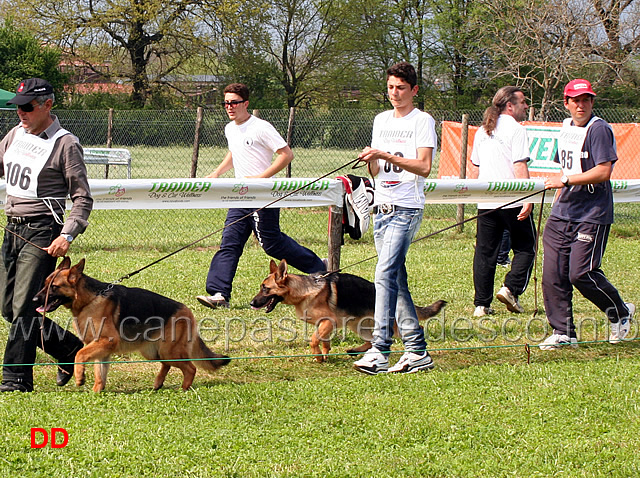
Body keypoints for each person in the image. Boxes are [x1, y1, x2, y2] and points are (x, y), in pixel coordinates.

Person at [197, 83, 325, 309]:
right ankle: (219, 294)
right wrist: (217, 172)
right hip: (240, 196)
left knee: (271, 244)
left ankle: (319, 269)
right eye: (226, 103)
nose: (229, 107)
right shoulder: (230, 129)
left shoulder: (261, 127)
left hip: (263, 196)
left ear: (245, 103)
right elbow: (234, 153)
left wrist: (261, 178)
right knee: (230, 243)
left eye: (234, 102)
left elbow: (286, 154)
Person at [0, 78, 92, 392]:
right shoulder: (15, 135)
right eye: (17, 107)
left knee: (25, 307)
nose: (20, 113)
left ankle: (16, 379)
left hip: (42, 233)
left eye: (27, 107)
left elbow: (82, 197)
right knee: (8, 307)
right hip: (12, 229)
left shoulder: (66, 143)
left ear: (48, 105)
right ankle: (68, 349)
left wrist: (67, 234)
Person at [352, 62, 437, 374]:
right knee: (395, 280)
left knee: (384, 275)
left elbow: (424, 167)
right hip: (382, 209)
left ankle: (380, 348)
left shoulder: (422, 121)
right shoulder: (381, 120)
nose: (395, 94)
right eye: (390, 87)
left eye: (401, 88)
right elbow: (375, 170)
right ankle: (417, 351)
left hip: (407, 208)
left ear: (413, 90)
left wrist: (386, 155)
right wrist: (371, 161)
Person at [540, 79, 635, 349]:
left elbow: (604, 171)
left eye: (586, 100)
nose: (581, 105)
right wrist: (557, 200)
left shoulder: (599, 130)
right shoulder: (566, 127)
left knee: (581, 274)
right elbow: (563, 168)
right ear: (566, 103)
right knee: (553, 274)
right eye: (575, 100)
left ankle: (621, 311)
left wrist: (567, 181)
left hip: (592, 212)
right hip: (563, 212)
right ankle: (563, 332)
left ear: (592, 102)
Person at [468, 86, 536, 318]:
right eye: (523, 102)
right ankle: (510, 289)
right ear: (510, 105)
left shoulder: (482, 131)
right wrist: (528, 197)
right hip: (512, 198)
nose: (526, 106)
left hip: (486, 200)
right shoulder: (517, 130)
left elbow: (473, 167)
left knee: (484, 254)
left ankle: (481, 305)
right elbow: (519, 165)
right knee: (527, 247)